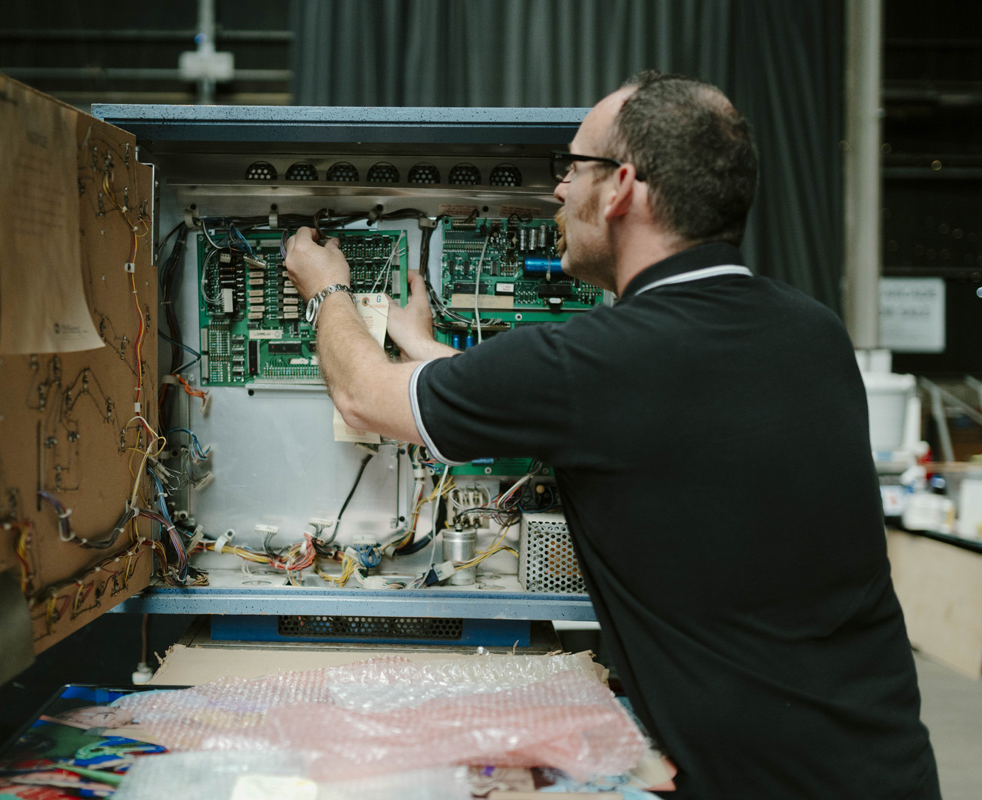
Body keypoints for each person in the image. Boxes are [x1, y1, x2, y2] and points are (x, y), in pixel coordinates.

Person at [284, 71, 939, 798]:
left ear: (623, 186)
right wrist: (425, 351)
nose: (559, 190)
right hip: (886, 769)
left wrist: (326, 289)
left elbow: (361, 396)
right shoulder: (811, 331)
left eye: (574, 167)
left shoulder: (594, 366)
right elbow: (601, 406)